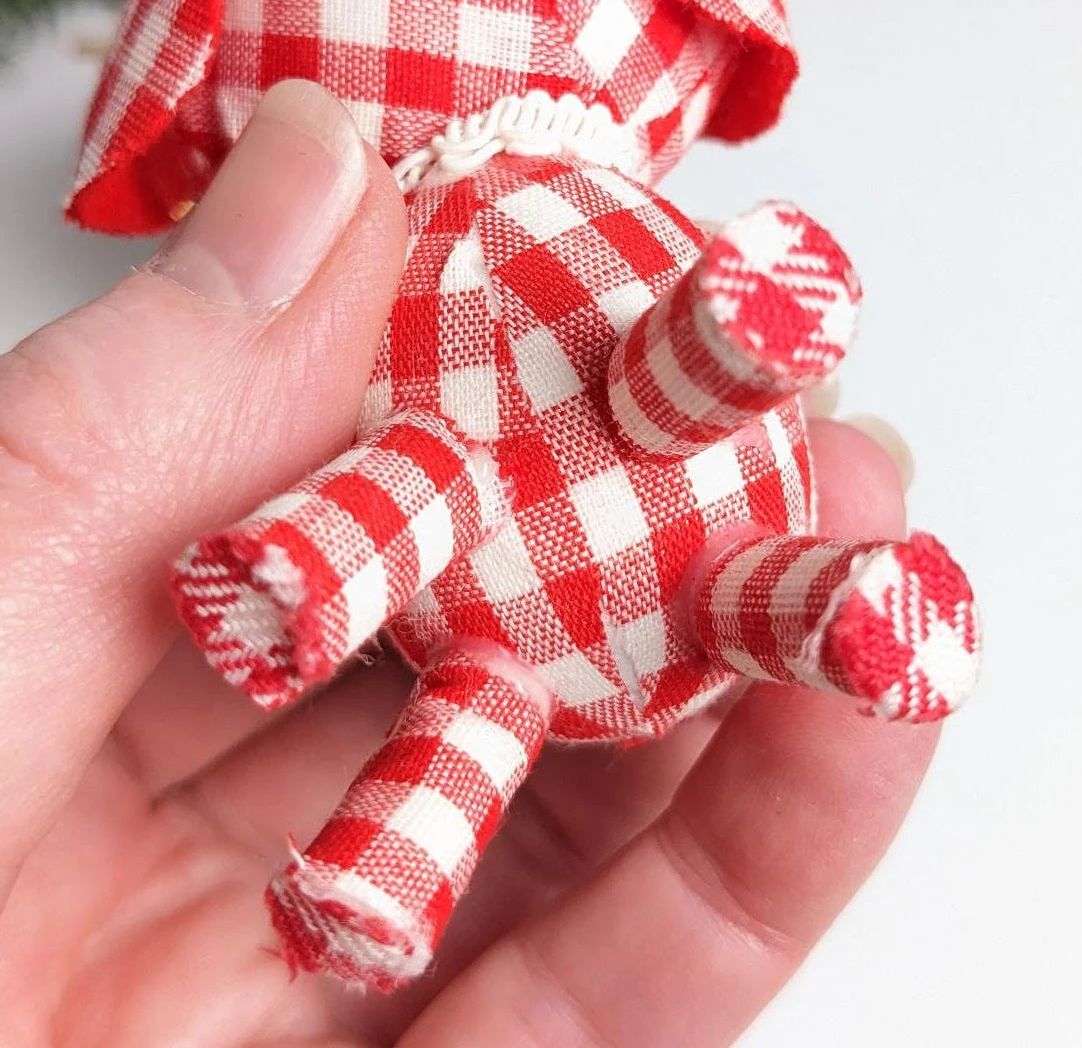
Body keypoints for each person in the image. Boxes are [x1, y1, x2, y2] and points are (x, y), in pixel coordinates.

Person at [0, 80, 936, 1046]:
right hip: (501, 488)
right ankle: (305, 610)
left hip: (528, 505)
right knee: (484, 609)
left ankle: (832, 579)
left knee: (488, 604)